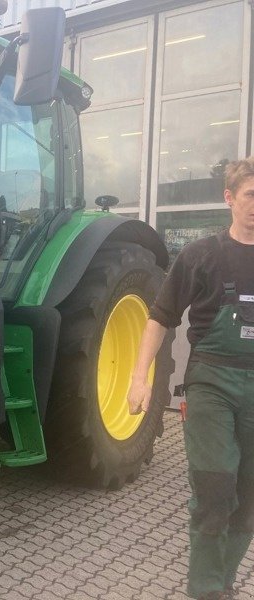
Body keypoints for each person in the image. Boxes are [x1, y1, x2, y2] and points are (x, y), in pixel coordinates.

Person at [127, 157, 254, 600]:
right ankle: (204, 591)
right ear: (230, 198)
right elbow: (159, 318)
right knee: (216, 489)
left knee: (248, 501)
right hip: (211, 384)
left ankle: (222, 583)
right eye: (250, 195)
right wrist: (140, 377)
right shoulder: (200, 256)